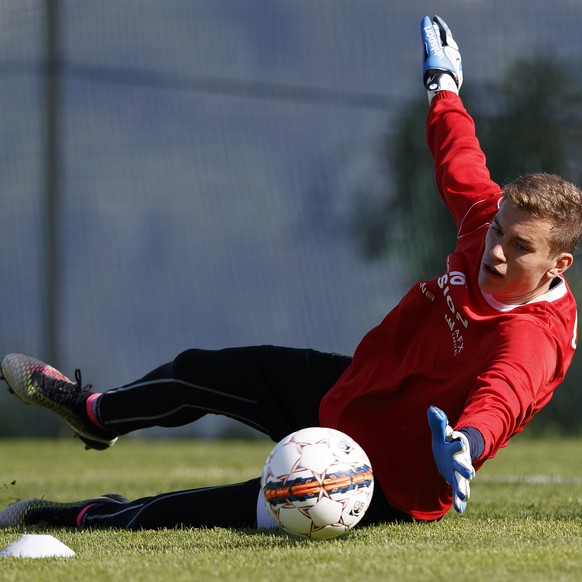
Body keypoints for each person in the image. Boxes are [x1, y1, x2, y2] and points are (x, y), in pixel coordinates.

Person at [0, 15, 580, 530]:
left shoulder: (532, 340)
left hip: (380, 474)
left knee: (183, 514)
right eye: (500, 228)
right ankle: (96, 414)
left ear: (558, 265)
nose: (496, 247)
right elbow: (460, 160)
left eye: (519, 245)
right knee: (196, 372)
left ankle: (69, 516)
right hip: (354, 389)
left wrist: (469, 443)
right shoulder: (488, 222)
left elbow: (504, 395)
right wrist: (444, 88)